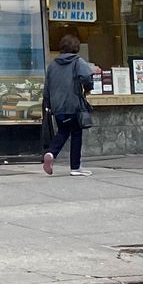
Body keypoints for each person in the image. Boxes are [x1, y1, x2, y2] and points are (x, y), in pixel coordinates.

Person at [42, 33, 95, 177]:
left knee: (63, 131)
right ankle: (75, 167)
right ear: (76, 47)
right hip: (73, 104)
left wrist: (48, 104)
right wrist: (88, 88)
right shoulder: (77, 61)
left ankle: (51, 153)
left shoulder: (52, 65)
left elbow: (46, 88)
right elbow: (86, 76)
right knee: (76, 133)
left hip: (57, 106)